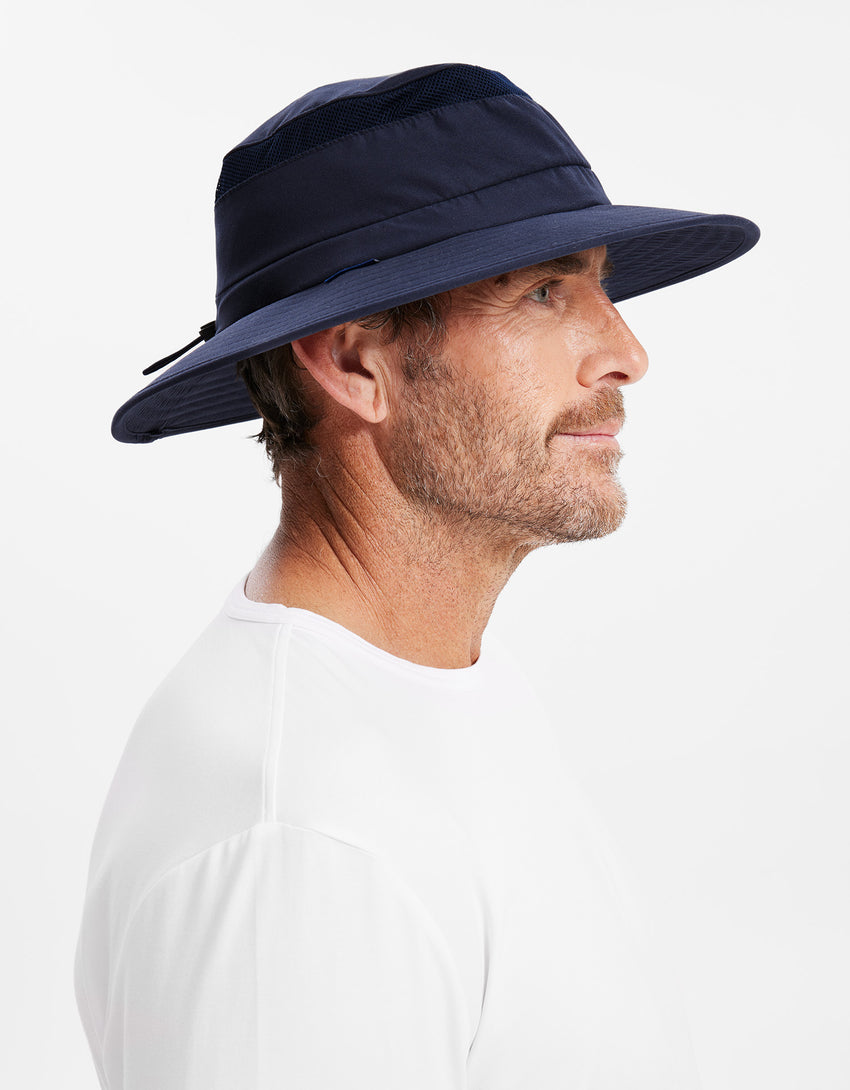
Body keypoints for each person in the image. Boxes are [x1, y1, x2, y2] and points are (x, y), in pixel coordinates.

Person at [74, 63, 759, 1089]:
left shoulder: (434, 688)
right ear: (357, 364)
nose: (626, 352)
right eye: (544, 292)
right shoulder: (299, 844)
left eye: (600, 285)